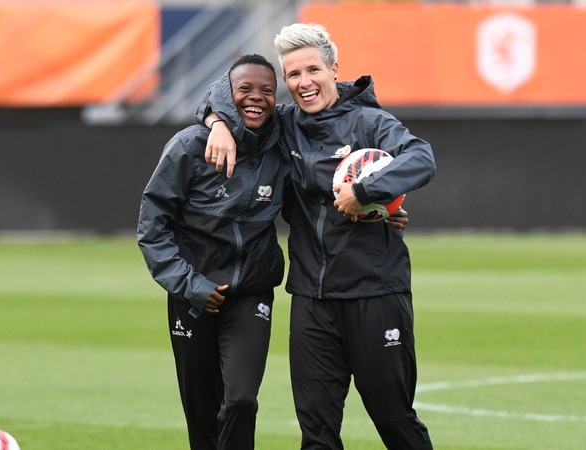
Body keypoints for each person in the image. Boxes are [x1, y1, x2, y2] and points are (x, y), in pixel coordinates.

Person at [199, 23, 435, 450]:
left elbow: (421, 158)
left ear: (334, 70)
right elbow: (224, 91)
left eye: (313, 70)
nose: (304, 82)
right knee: (316, 433)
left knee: (394, 420)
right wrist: (216, 122)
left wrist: (366, 191)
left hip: (375, 293)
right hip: (311, 300)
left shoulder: (370, 121)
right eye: (293, 74)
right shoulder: (284, 124)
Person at [137, 54, 288, 450]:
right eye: (245, 89)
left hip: (251, 296)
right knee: (202, 416)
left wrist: (377, 208)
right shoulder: (188, 146)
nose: (256, 97)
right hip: (192, 297)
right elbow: (152, 229)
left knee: (241, 401)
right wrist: (192, 286)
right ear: (227, 94)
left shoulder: (282, 146)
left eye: (267, 90)